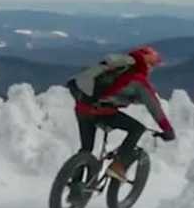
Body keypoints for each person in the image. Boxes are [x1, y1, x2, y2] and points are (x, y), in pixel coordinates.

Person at [65, 45, 176, 181]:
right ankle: (118, 166)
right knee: (137, 128)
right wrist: (168, 130)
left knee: (86, 148)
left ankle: (75, 187)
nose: (151, 69)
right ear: (146, 63)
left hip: (82, 108)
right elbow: (155, 107)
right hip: (102, 112)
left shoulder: (114, 69)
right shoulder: (139, 81)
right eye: (152, 65)